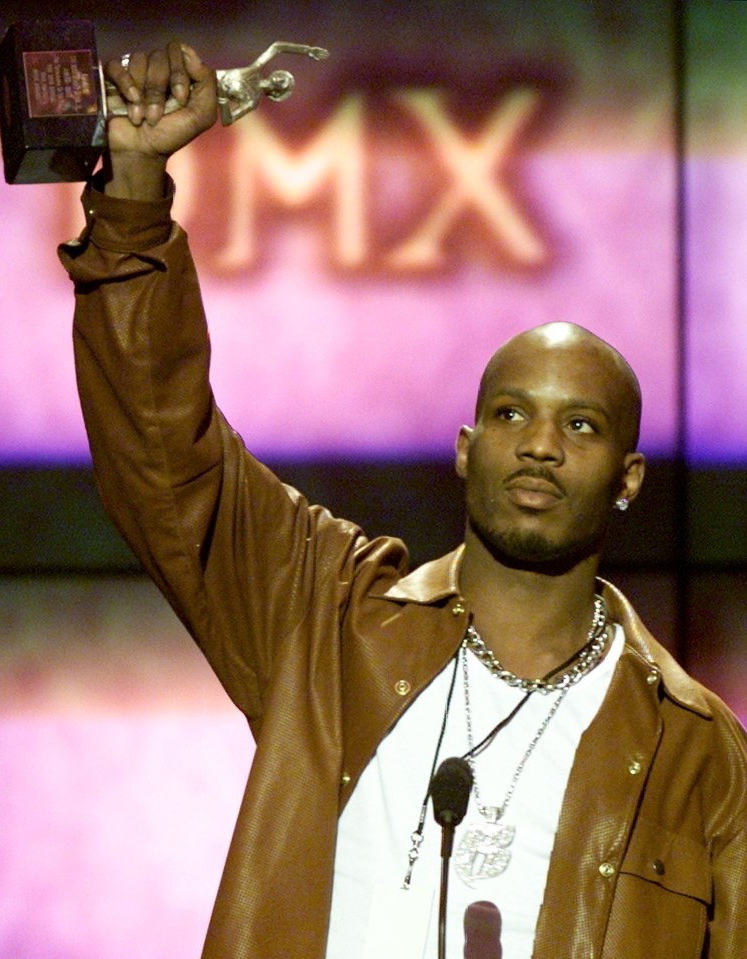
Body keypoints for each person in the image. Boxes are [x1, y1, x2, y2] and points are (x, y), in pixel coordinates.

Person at [60, 42, 747, 959]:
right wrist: (134, 194)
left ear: (627, 479)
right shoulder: (328, 616)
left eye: (579, 426)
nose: (539, 444)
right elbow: (163, 457)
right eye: (511, 413)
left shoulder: (693, 749)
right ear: (466, 450)